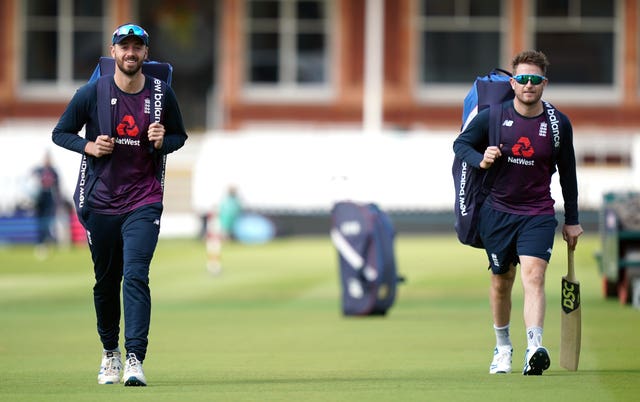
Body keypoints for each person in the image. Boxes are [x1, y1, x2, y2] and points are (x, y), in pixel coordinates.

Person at [52, 23, 187, 386]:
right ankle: (109, 352)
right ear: (113, 52)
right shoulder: (92, 92)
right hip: (101, 201)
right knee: (106, 282)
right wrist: (89, 146)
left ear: (146, 53)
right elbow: (60, 132)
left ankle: (134, 359)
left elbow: (179, 136)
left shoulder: (161, 93)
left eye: (137, 47)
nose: (130, 53)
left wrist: (163, 141)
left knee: (137, 274)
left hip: (143, 199)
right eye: (124, 46)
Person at [453, 50, 583, 375]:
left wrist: (573, 220)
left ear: (544, 84)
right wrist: (481, 158)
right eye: (523, 79)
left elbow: (568, 173)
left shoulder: (557, 124)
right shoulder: (494, 117)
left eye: (535, 80)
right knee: (502, 282)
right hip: (497, 212)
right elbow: (460, 145)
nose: (528, 85)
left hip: (538, 213)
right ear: (512, 83)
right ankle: (502, 348)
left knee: (534, 277)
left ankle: (534, 347)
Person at [32, 152, 61, 256]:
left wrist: (58, 201)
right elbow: (31, 180)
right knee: (40, 222)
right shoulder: (39, 170)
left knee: (48, 221)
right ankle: (41, 243)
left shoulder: (53, 171)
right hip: (40, 199)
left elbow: (57, 187)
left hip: (49, 197)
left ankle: (47, 242)